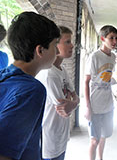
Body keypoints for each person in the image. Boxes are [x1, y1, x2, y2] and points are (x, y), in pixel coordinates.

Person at [0, 12, 60, 160]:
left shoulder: (4, 75)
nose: (58, 52)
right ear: (40, 50)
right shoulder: (31, 90)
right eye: (54, 45)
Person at [36, 26, 80, 160]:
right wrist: (74, 103)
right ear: (55, 45)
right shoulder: (50, 74)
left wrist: (74, 103)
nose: (72, 45)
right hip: (50, 138)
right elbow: (64, 109)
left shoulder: (62, 70)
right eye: (67, 42)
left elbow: (75, 97)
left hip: (61, 134)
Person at [84, 25, 117, 160]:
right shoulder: (94, 57)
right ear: (103, 38)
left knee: (104, 137)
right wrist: (87, 106)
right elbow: (86, 81)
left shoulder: (113, 57)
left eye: (116, 38)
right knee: (94, 140)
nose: (115, 41)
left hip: (108, 105)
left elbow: (107, 77)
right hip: (95, 105)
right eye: (111, 38)